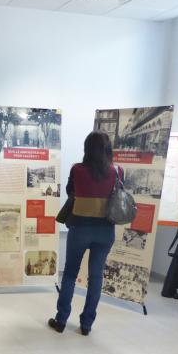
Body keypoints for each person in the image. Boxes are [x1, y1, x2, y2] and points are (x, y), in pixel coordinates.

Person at [48, 130, 120, 336]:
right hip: (105, 230)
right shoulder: (117, 172)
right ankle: (87, 324)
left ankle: (61, 320)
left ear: (87, 148)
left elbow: (71, 191)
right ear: (107, 149)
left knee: (70, 274)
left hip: (80, 228)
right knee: (96, 277)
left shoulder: (77, 170)